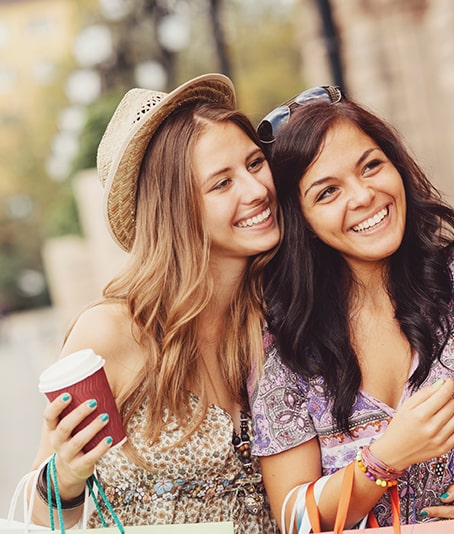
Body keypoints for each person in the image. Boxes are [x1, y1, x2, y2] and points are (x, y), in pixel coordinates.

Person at [250, 39, 454, 534]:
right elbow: (293, 519)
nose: (364, 196)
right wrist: (385, 458)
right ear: (303, 222)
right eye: (328, 191)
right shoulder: (290, 351)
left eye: (371, 165)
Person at [27, 74, 280, 533]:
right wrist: (63, 479)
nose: (256, 189)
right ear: (176, 208)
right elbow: (37, 522)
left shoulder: (273, 319)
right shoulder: (111, 331)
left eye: (255, 163)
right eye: (222, 183)